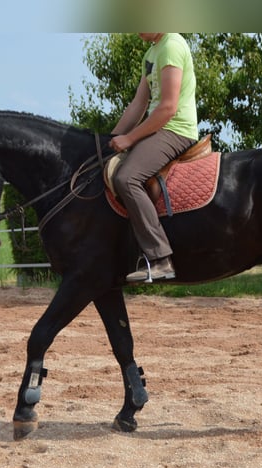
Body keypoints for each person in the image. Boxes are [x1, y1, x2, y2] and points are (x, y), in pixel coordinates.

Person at [110, 33, 198, 282]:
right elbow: (139, 104)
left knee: (126, 178)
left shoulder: (171, 45)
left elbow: (168, 107)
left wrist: (129, 139)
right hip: (158, 128)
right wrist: (112, 137)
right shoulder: (152, 52)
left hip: (176, 129)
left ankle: (160, 258)